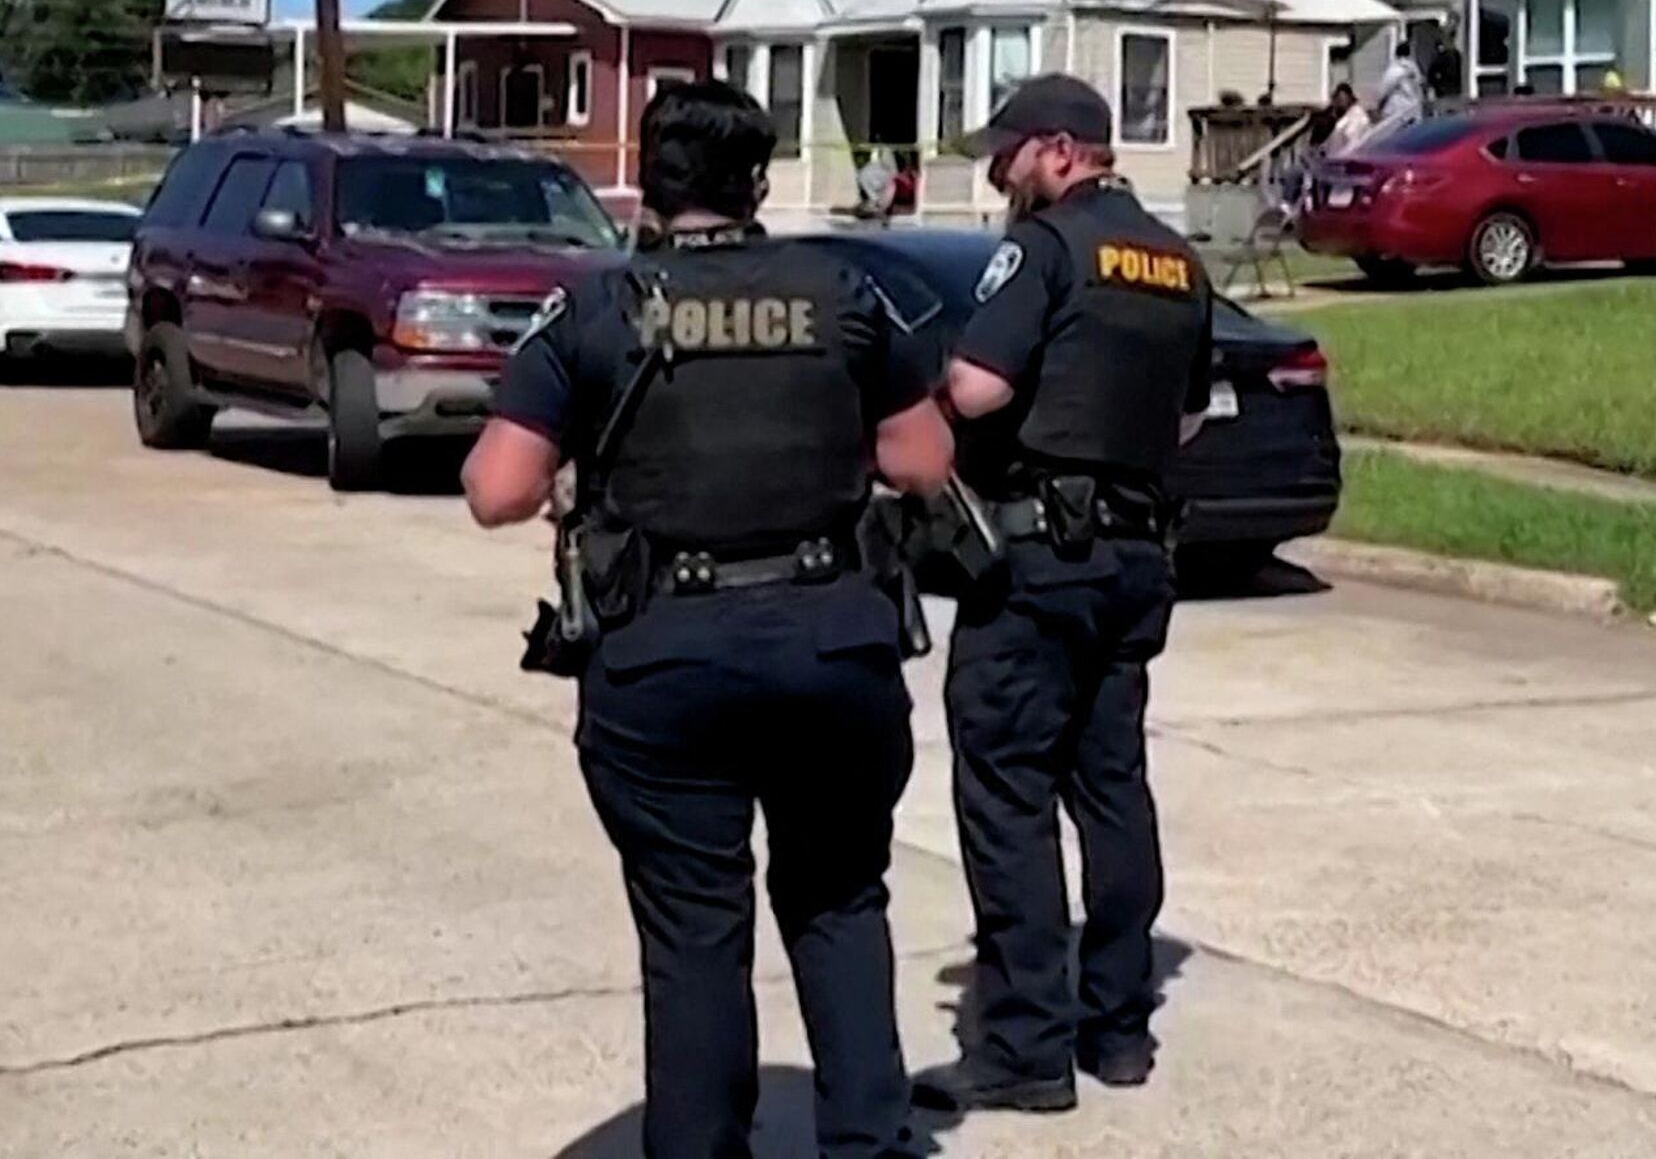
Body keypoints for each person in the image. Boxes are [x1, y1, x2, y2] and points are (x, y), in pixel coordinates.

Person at [463, 80, 954, 1159]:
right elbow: (923, 462)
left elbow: (496, 489)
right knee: (839, 900)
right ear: (757, 185)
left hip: (665, 661)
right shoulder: (844, 291)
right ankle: (868, 1140)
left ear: (649, 183)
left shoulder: (594, 308)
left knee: (694, 927)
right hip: (833, 643)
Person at [911, 74, 1213, 1117]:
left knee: (1008, 793)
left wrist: (936, 383)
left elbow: (978, 388)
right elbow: (1185, 419)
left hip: (1039, 564)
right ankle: (1117, 1027)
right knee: (1113, 787)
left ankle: (1025, 1046)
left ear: (1059, 150)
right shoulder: (1176, 261)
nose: (1001, 175)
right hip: (1136, 563)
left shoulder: (1043, 248)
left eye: (1009, 156)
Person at [1375, 41, 1427, 132]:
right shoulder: (1415, 69)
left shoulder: (1395, 69)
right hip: (1414, 109)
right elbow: (1421, 87)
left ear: (1396, 54)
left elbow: (1384, 90)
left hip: (1398, 110)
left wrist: (1379, 105)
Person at [1321, 81, 1372, 158]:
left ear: (1349, 98)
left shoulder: (1357, 116)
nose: (1337, 103)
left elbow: (1353, 145)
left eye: (1341, 99)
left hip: (1345, 161)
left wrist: (1337, 159)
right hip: (1334, 159)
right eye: (1337, 100)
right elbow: (1333, 140)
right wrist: (1323, 148)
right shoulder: (1347, 116)